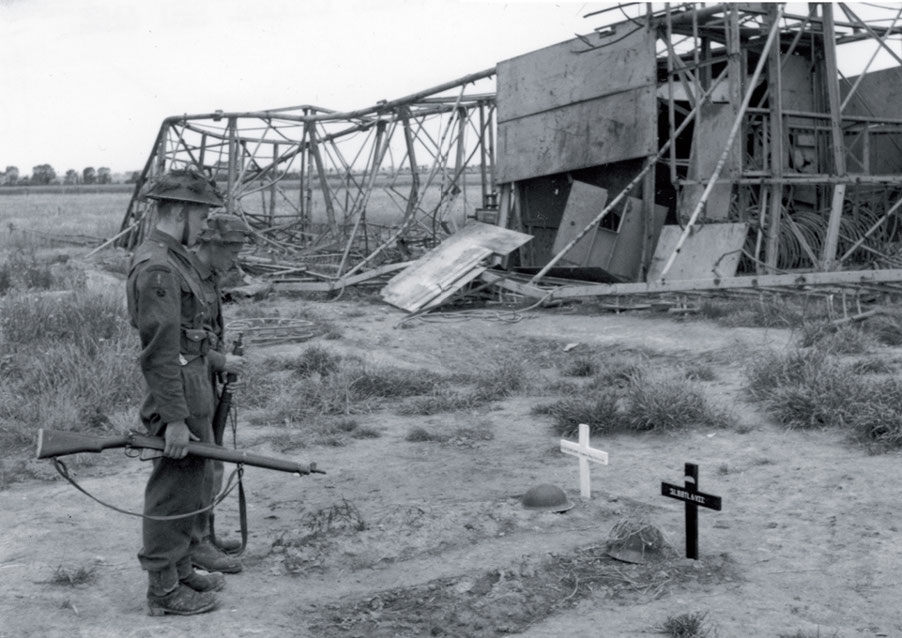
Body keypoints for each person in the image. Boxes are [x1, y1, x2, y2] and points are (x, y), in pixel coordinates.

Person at [126, 168, 227, 616]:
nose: (207, 224)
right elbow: (160, 352)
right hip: (178, 394)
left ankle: (182, 567)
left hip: (194, 384)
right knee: (173, 488)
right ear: (182, 210)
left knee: (194, 484)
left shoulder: (177, 257)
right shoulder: (159, 266)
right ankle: (163, 591)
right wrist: (175, 418)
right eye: (203, 213)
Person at [188, 213, 252, 574]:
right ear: (212, 243)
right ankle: (195, 544)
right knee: (200, 466)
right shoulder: (188, 278)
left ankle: (205, 533)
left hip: (206, 381)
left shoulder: (209, 278)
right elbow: (178, 342)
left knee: (212, 462)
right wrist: (219, 360)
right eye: (232, 248)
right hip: (190, 382)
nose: (236, 257)